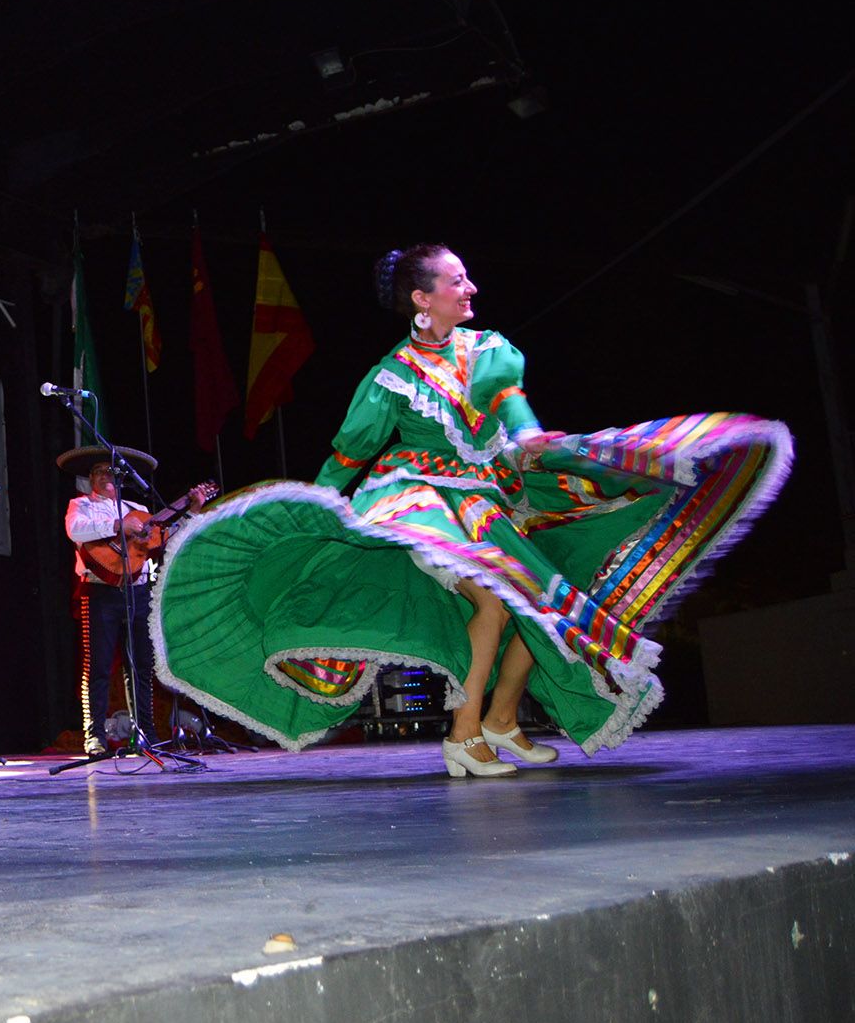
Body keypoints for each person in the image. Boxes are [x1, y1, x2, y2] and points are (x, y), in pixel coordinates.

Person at [152, 244, 791, 775]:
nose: (471, 287)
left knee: (538, 605)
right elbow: (348, 459)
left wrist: (532, 437)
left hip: (494, 495)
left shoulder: (489, 351)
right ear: (421, 299)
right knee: (493, 600)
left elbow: (510, 402)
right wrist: (319, 512)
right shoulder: (390, 379)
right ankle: (462, 735)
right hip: (424, 502)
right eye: (457, 280)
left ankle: (502, 719)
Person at [59, 445, 185, 756]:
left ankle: (146, 732)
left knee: (140, 664)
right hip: (100, 590)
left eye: (112, 471)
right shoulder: (81, 505)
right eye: (100, 471)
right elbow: (75, 530)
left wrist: (191, 508)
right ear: (91, 478)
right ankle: (95, 735)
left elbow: (162, 537)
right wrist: (118, 525)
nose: (106, 476)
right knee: (98, 666)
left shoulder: (136, 507)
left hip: (137, 590)